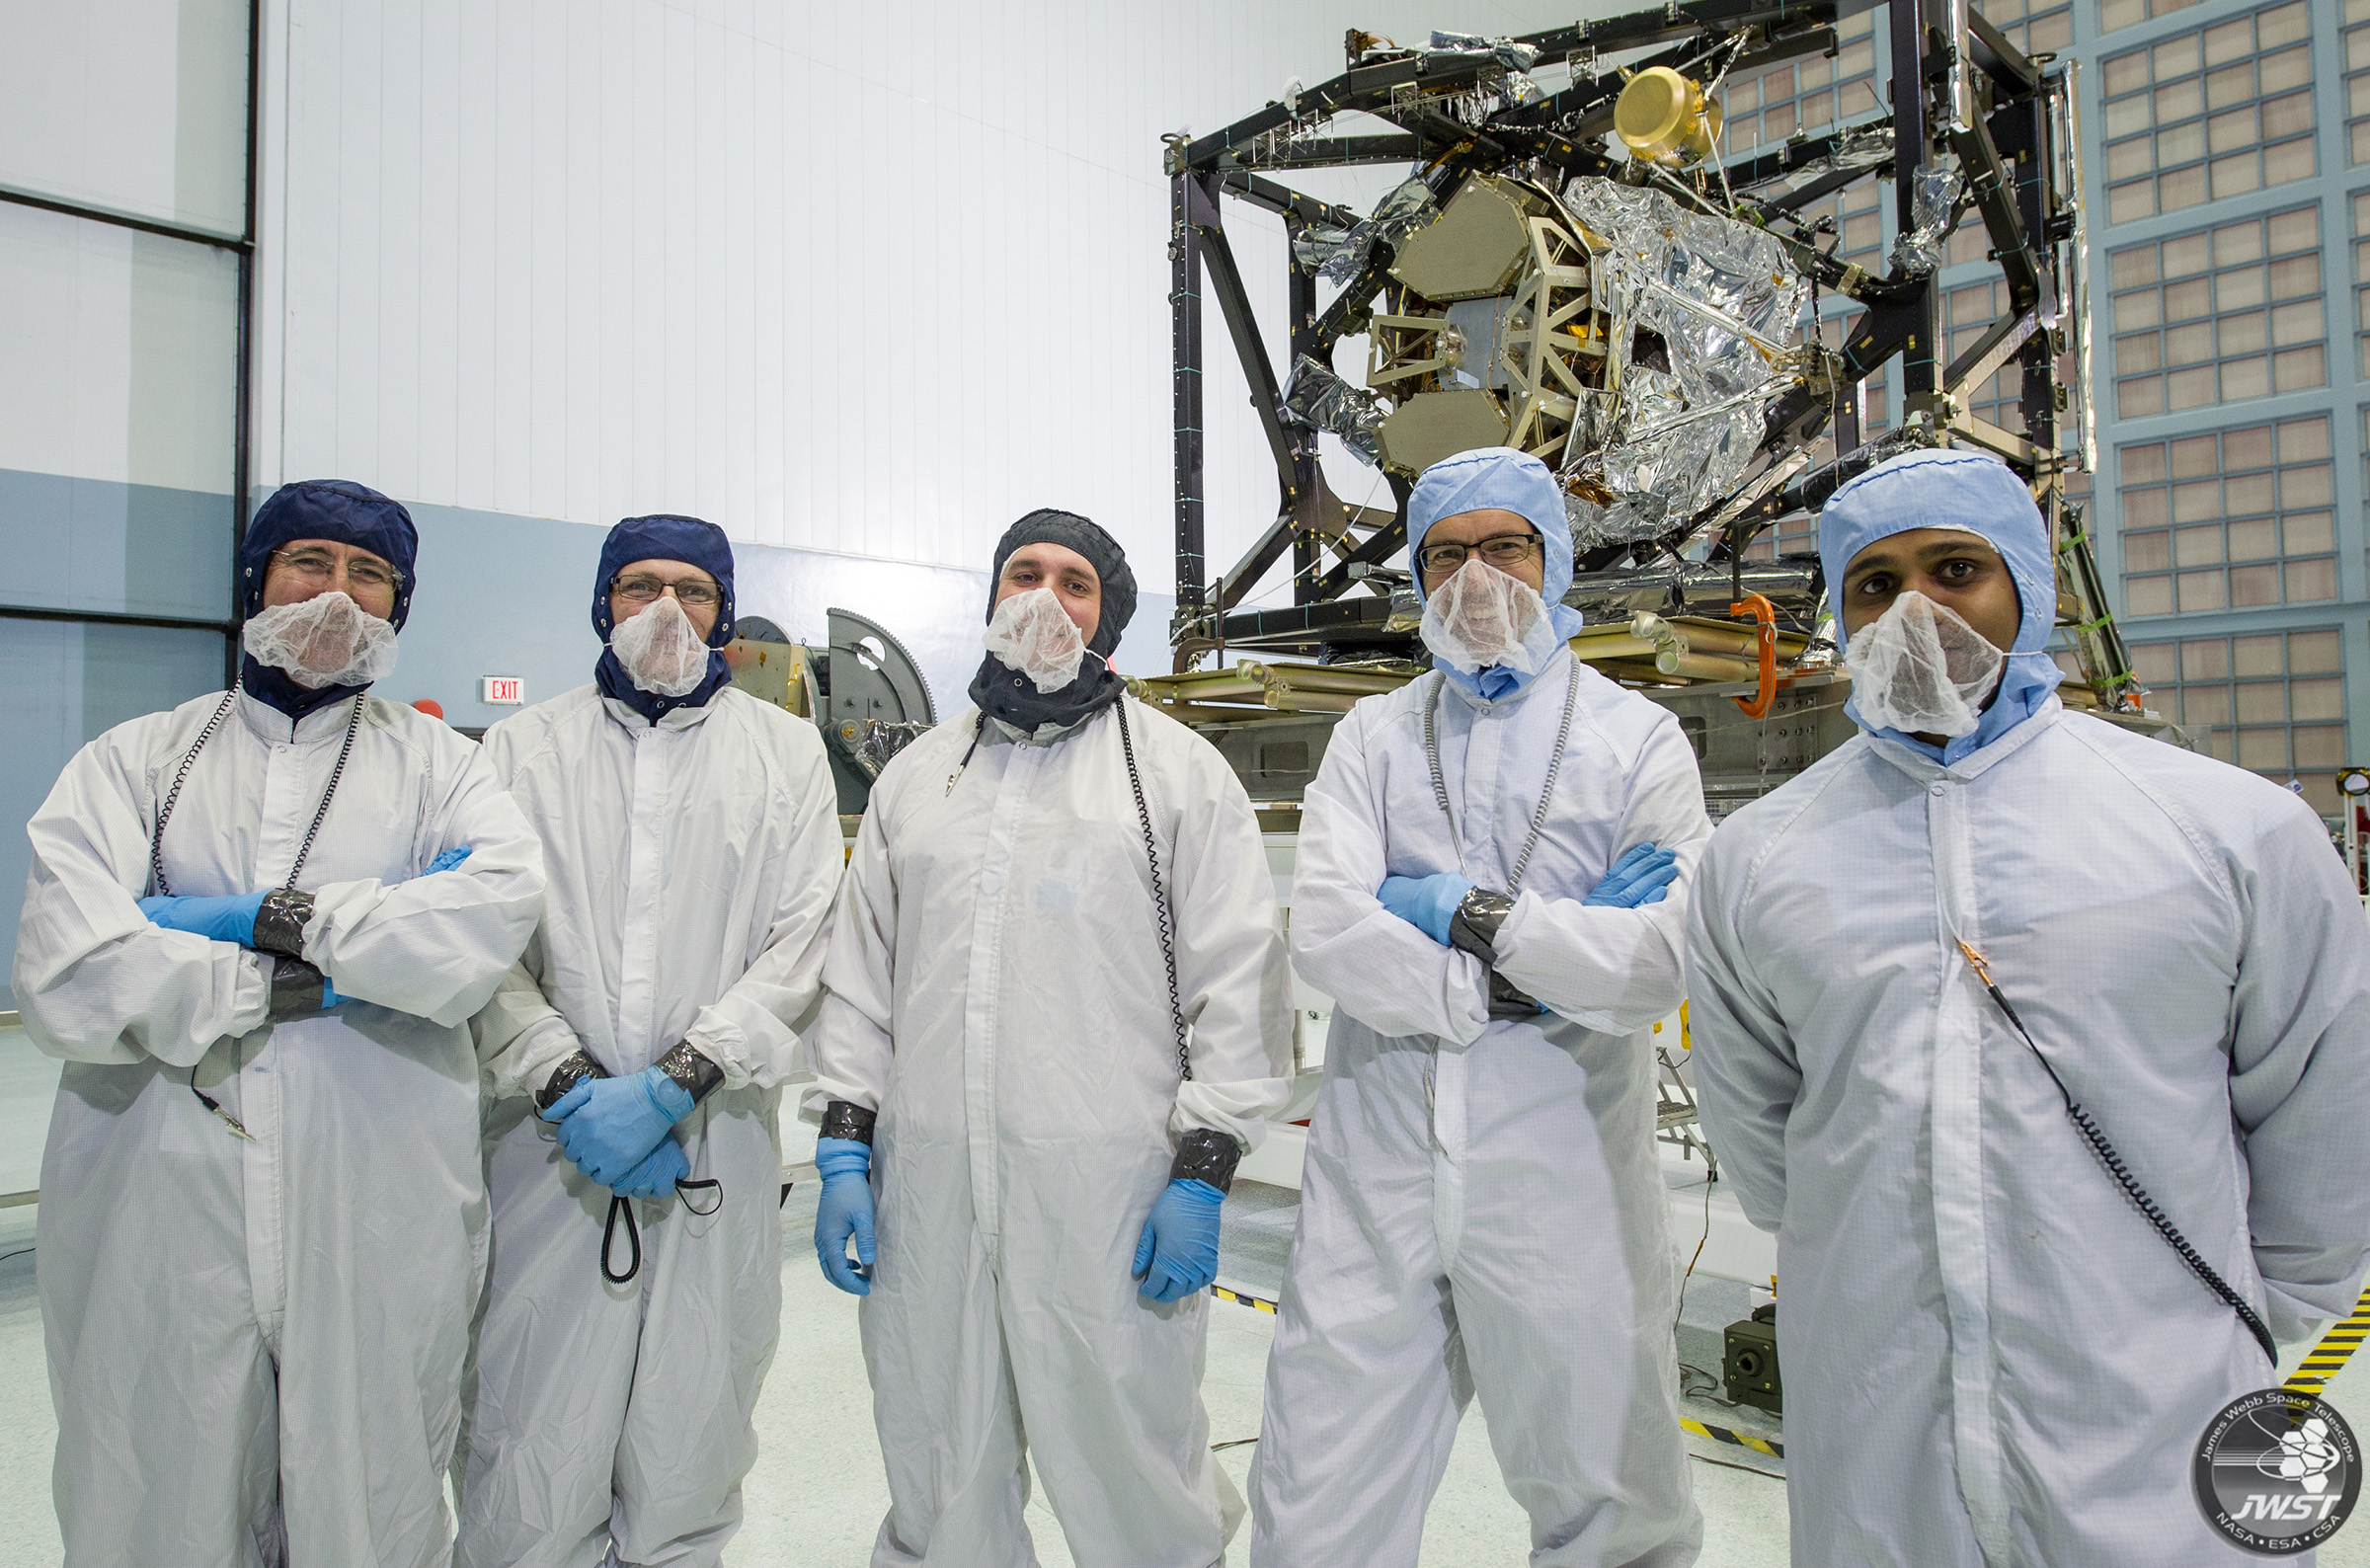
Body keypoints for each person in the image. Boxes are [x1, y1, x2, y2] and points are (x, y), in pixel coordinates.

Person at [1685, 447, 2370, 1564]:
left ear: (2030, 586)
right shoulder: (1761, 860)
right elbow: (1765, 1142)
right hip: (1878, 1413)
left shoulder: (2224, 831)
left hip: (2152, 1409)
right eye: (1875, 583)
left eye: (1955, 569)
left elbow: (2325, 1112)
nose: (1915, 609)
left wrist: (2233, 1327)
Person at [12, 479, 546, 1566]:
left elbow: (479, 930)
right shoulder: (132, 760)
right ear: (257, 577)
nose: (337, 593)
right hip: (154, 1193)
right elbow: (70, 974)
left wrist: (244, 924)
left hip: (377, 1193)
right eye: (310, 561)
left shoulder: (448, 770)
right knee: (151, 1493)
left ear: (400, 604)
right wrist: (353, 956)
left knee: (372, 1501)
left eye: (370, 573)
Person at [806, 508, 1294, 1568]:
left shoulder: (1173, 772)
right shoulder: (921, 777)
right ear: (991, 594)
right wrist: (844, 1146)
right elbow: (861, 976)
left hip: (1107, 1194)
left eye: (1075, 582)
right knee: (939, 1457)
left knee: (1132, 1461)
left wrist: (1205, 1169)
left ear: (1108, 615)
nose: (1044, 598)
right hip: (929, 1189)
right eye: (1022, 573)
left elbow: (1240, 980)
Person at [1249, 445, 1707, 1568]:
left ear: (1555, 560)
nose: (1477, 577)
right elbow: (1331, 929)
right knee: (1316, 1495)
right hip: (1378, 1170)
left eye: (1506, 547)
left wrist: (1457, 911)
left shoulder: (1635, 738)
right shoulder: (1372, 737)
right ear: (1417, 578)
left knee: (1610, 1495)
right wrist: (1543, 957)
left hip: (1566, 1174)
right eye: (1446, 555)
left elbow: (1655, 962)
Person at [454, 515, 842, 1567]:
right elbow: (483, 940)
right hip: (547, 1141)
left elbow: (804, 941)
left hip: (714, 1135)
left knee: (696, 1422)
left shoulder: (785, 754)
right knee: (528, 1423)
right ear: (602, 603)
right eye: (640, 586)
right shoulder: (521, 749)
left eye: (693, 590)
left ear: (725, 616)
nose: (667, 608)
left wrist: (675, 1082)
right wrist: (567, 1081)